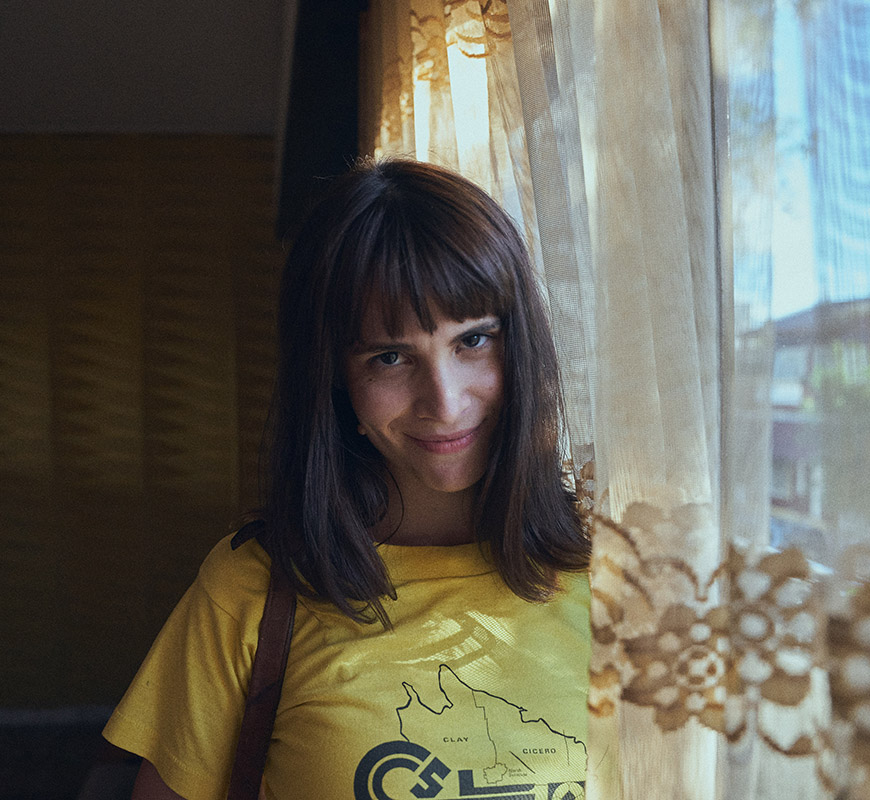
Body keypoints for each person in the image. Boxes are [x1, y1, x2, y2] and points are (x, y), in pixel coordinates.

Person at [102, 158, 595, 800]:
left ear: (521, 344)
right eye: (391, 357)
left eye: (473, 341)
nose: (445, 403)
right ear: (335, 377)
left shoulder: (621, 572)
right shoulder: (253, 591)